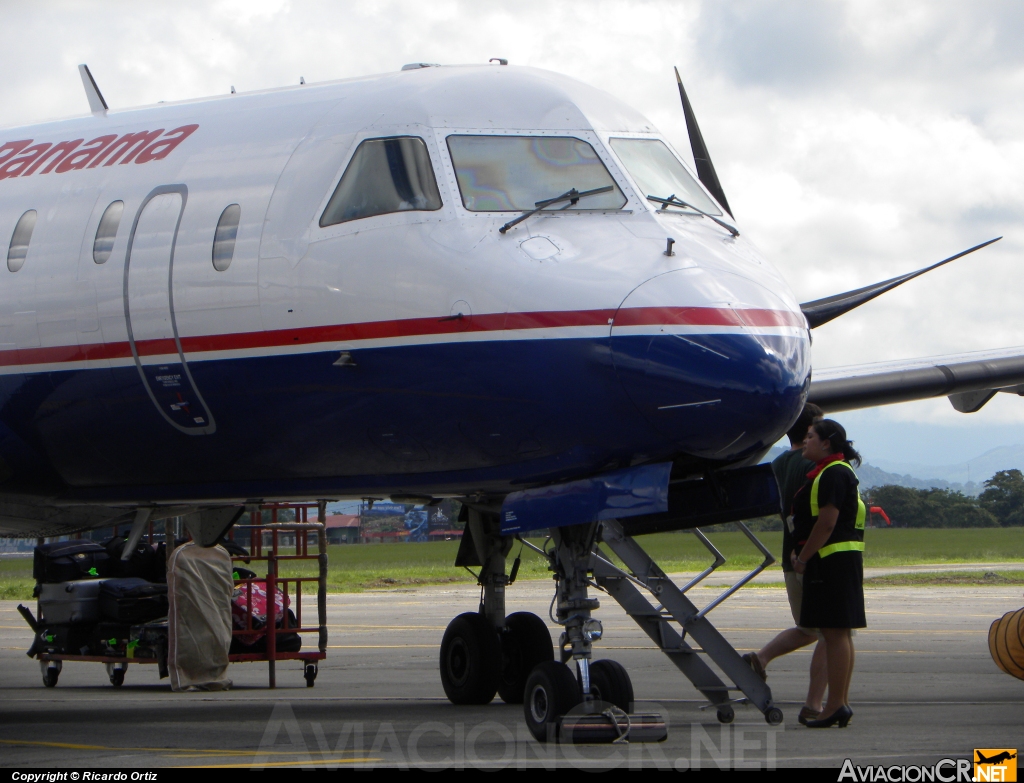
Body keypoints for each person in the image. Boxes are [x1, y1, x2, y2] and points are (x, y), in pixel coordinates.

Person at [743, 403, 828, 726]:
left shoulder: (779, 464)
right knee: (829, 634)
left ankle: (761, 658)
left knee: (807, 628)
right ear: (811, 434)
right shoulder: (814, 464)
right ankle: (815, 703)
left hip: (789, 556)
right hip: (812, 558)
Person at [791, 419, 866, 728]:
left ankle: (835, 705)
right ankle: (839, 703)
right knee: (840, 634)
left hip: (830, 563)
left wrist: (804, 557)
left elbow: (827, 523)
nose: (804, 441)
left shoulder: (832, 474)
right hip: (841, 562)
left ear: (826, 443)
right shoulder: (837, 471)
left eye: (810, 437)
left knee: (835, 635)